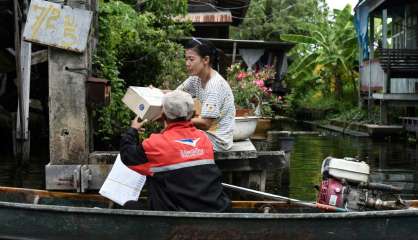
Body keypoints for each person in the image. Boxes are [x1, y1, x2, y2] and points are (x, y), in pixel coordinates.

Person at [120, 90, 230, 212]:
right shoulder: (204, 139)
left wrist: (133, 130)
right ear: (193, 114)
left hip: (176, 218)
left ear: (162, 115)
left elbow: (127, 156)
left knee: (130, 205)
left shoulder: (154, 144)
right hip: (215, 210)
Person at [177, 38, 235, 151]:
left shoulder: (214, 85)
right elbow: (176, 95)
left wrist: (177, 120)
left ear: (205, 60)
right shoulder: (195, 78)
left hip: (217, 140)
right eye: (186, 59)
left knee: (173, 142)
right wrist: (155, 92)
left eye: (191, 59)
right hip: (205, 134)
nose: (187, 63)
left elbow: (205, 123)